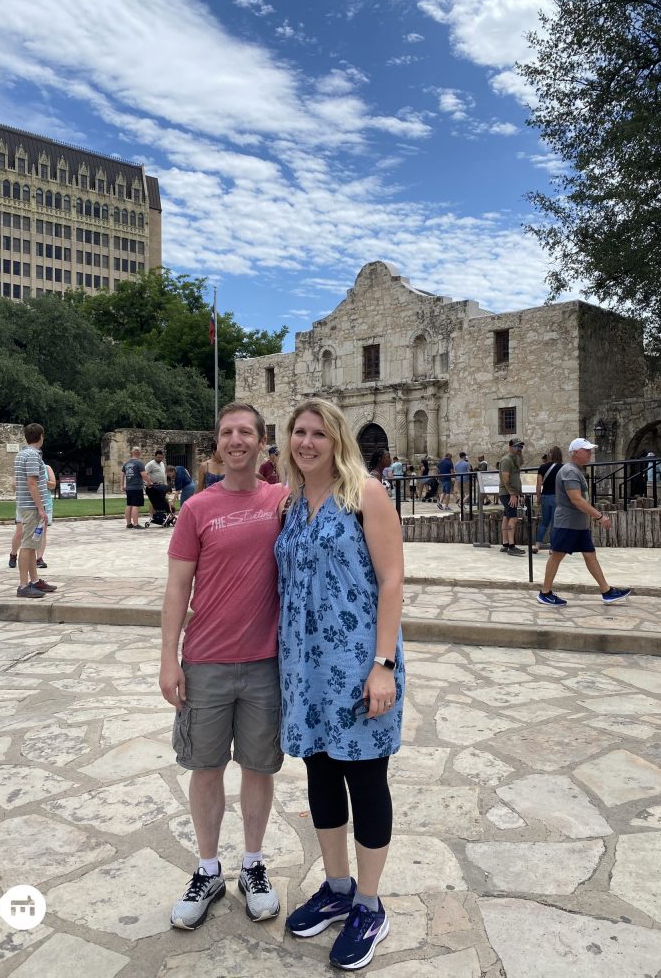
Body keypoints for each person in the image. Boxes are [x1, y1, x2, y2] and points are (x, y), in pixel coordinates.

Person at [276, 397, 404, 971]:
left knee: (365, 779)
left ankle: (370, 904)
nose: (307, 443)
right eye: (299, 433)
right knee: (321, 775)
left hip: (357, 667)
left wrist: (383, 664)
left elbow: (392, 579)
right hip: (305, 668)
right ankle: (336, 887)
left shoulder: (364, 495)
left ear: (338, 440)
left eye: (318, 434)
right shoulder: (290, 503)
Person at [159, 402, 286, 931]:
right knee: (205, 767)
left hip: (265, 661)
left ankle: (252, 863)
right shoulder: (197, 508)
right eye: (227, 432)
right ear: (218, 443)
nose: (236, 440)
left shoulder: (284, 500)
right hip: (207, 658)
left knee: (259, 767)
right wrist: (169, 657)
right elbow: (177, 586)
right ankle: (208, 868)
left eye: (246, 432)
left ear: (261, 442)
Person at [537, 438, 631, 607]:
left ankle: (606, 591)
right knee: (557, 555)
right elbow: (577, 500)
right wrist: (599, 516)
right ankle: (545, 593)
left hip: (578, 524)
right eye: (586, 450)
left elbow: (580, 500)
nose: (589, 453)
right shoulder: (570, 472)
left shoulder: (575, 471)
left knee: (589, 554)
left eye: (590, 450)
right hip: (567, 523)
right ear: (575, 453)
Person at [13, 424, 58, 599]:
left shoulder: (22, 454)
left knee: (32, 545)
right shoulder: (32, 455)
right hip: (31, 506)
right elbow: (32, 483)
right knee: (27, 546)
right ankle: (24, 585)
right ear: (41, 436)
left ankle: (34, 581)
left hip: (26, 504)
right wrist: (41, 508)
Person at [9, 461, 55, 569]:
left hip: (44, 503)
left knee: (41, 532)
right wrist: (30, 482)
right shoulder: (22, 469)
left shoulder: (46, 468)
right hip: (25, 504)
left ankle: (39, 558)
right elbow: (14, 486)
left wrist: (43, 481)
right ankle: (13, 554)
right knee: (20, 532)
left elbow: (53, 485)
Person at [533, 446, 563, 553]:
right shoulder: (562, 467)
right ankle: (552, 547)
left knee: (544, 522)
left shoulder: (542, 467)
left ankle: (537, 545)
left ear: (550, 455)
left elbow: (538, 485)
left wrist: (538, 497)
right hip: (557, 497)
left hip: (545, 497)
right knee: (554, 523)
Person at [498, 439, 525, 555]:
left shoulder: (516, 458)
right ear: (510, 447)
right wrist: (513, 494)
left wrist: (520, 493)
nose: (518, 449)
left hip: (512, 492)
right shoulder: (506, 460)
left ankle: (505, 544)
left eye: (520, 447)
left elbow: (521, 465)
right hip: (507, 493)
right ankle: (511, 546)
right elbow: (505, 479)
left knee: (506, 516)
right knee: (513, 518)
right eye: (516, 447)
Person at [122, 446, 153, 529]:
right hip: (136, 487)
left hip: (129, 487)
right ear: (139, 453)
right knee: (136, 505)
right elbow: (144, 475)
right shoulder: (139, 463)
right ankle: (136, 524)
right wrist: (150, 483)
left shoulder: (126, 463)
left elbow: (123, 474)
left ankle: (129, 523)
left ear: (131, 452)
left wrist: (122, 485)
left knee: (129, 504)